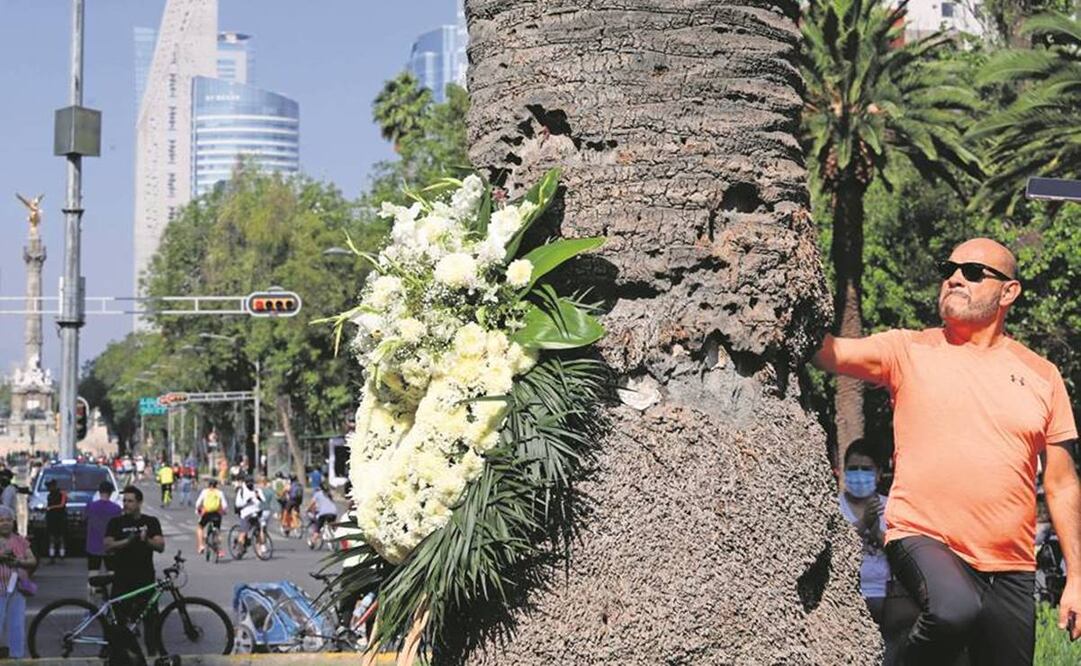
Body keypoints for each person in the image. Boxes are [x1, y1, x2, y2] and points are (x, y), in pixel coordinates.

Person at [813, 238, 1081, 664]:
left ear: (1008, 292)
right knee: (953, 610)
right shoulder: (908, 350)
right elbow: (830, 352)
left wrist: (1077, 580)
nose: (954, 278)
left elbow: (1062, 483)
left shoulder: (1042, 376)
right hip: (923, 537)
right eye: (949, 268)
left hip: (1010, 565)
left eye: (973, 272)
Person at [104, 486, 165, 656]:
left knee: (151, 622)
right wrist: (127, 541)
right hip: (122, 578)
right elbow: (108, 545)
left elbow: (160, 546)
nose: (126, 504)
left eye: (130, 501)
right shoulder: (115, 522)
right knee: (119, 624)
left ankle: (152, 655)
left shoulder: (151, 522)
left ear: (139, 503)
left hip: (145, 578)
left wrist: (147, 541)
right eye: (124, 501)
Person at [838, 440, 889, 624]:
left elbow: (903, 553)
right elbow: (835, 546)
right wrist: (863, 524)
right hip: (846, 597)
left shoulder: (892, 507)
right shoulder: (833, 507)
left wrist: (876, 532)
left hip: (887, 596)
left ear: (879, 474)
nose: (859, 475)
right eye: (853, 468)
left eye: (866, 469)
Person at [0, 506, 36, 658]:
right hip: (1, 588)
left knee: (17, 624)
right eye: (1, 520)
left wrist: (19, 562)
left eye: (8, 520)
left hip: (18, 588)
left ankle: (17, 656)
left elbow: (32, 560)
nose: (5, 523)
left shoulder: (20, 540)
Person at [85, 481, 121, 579]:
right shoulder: (116, 509)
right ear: (111, 492)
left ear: (99, 491)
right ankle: (110, 591)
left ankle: (93, 591)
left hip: (93, 544)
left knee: (93, 571)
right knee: (111, 571)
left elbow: (85, 520)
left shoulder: (90, 506)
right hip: (110, 545)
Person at [194, 478, 227, 557]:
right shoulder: (220, 493)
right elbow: (225, 505)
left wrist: (198, 509)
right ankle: (219, 550)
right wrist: (224, 511)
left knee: (200, 527)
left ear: (208, 485)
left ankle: (201, 545)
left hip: (207, 513)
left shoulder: (205, 492)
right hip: (216, 514)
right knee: (217, 531)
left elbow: (198, 503)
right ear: (216, 485)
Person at [234, 477, 262, 548]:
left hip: (254, 513)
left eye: (251, 482)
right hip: (244, 513)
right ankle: (240, 545)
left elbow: (260, 501)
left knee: (257, 530)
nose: (250, 484)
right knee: (244, 532)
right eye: (248, 482)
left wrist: (259, 498)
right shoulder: (241, 491)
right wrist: (247, 501)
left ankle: (259, 552)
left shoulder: (255, 490)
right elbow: (238, 504)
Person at [44, 478, 67, 563]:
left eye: (50, 486)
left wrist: (51, 508)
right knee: (51, 538)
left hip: (60, 518)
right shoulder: (49, 495)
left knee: (61, 537)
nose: (49, 488)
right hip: (51, 519)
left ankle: (62, 555)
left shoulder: (62, 493)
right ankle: (52, 556)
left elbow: (62, 505)